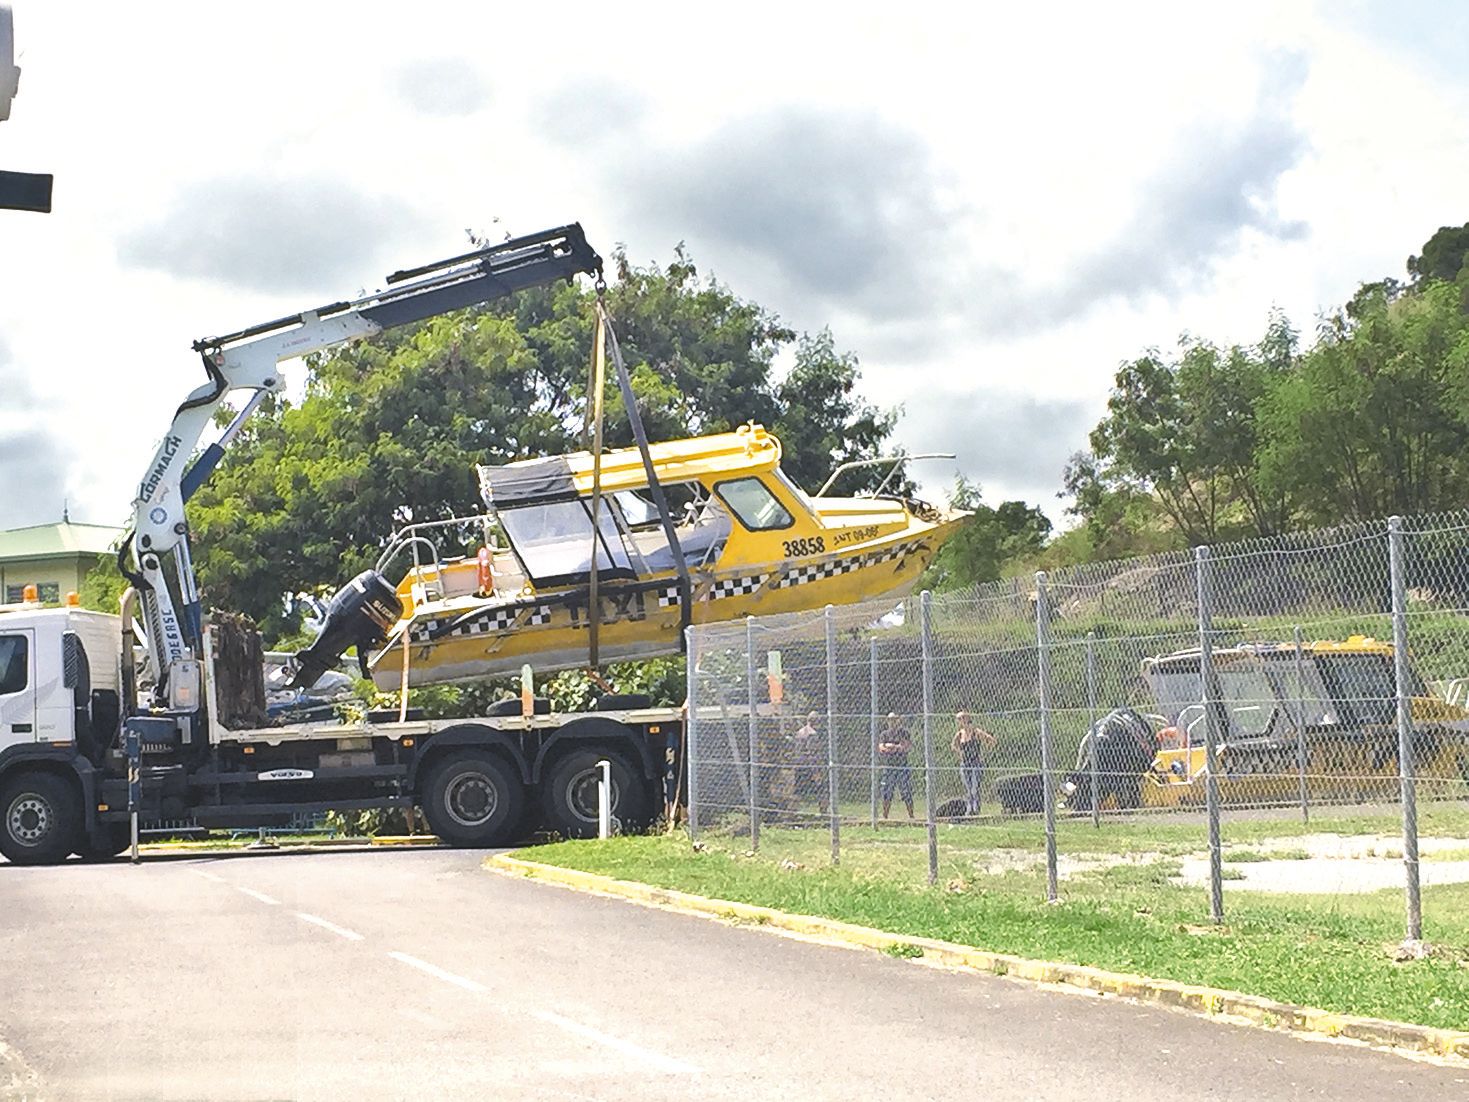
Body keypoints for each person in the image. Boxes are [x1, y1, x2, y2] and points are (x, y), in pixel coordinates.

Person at [951, 711, 996, 815]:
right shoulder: (960, 733)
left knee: (975, 788)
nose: (959, 722)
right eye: (958, 720)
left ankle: (976, 810)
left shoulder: (976, 732)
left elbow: (990, 740)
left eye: (961, 719)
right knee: (968, 788)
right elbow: (953, 745)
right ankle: (969, 809)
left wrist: (985, 754)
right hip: (965, 763)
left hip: (976, 763)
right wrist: (959, 753)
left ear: (966, 719)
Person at [877, 712, 915, 820]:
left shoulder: (904, 733)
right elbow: (881, 748)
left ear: (898, 720)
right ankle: (885, 816)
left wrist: (892, 746)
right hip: (889, 766)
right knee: (887, 791)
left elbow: (906, 747)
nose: (892, 722)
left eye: (894, 720)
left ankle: (911, 816)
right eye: (890, 720)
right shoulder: (884, 734)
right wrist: (896, 746)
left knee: (906, 790)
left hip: (902, 766)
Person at [792, 711, 827, 812]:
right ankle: (823, 811)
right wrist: (816, 771)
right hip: (810, 765)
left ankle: (794, 811)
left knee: (798, 789)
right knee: (822, 788)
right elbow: (812, 753)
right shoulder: (813, 734)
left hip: (799, 764)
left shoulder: (800, 732)